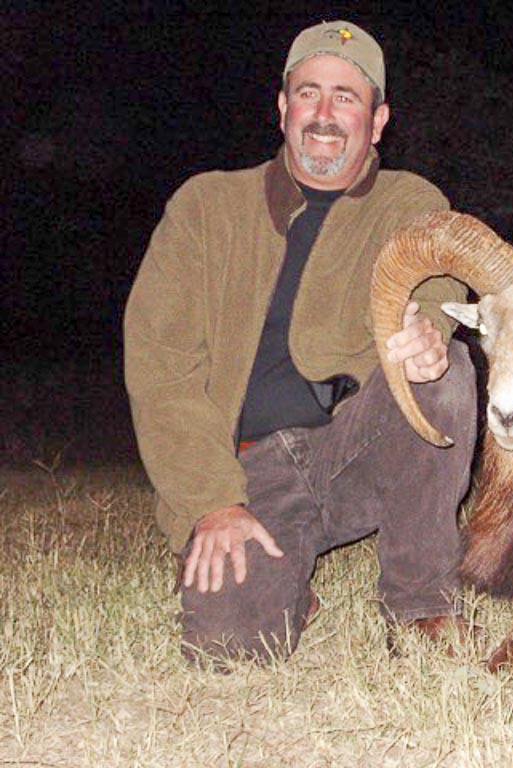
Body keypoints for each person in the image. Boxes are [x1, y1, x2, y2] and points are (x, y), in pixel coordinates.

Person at [124, 20, 477, 664]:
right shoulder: (205, 207)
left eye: (346, 96)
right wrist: (212, 501)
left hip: (352, 445)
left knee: (444, 372)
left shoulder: (408, 200)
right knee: (228, 651)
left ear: (377, 121)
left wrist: (427, 333)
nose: (324, 113)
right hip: (248, 470)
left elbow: (435, 273)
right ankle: (284, 589)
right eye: (308, 92)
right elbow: (161, 372)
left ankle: (420, 604)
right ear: (283, 108)